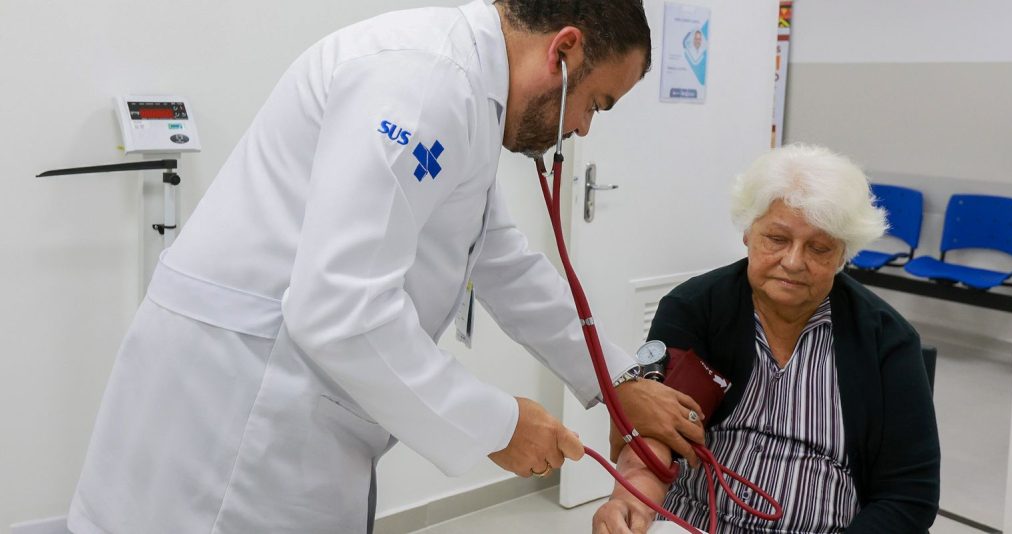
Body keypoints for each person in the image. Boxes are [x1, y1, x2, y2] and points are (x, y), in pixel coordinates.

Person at [68, 1, 707, 533]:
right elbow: (340, 309)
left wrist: (617, 381)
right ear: (563, 52)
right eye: (596, 102)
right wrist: (498, 423)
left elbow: (500, 259)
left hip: (288, 403)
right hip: (237, 417)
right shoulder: (426, 82)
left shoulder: (469, 93)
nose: (584, 129)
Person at [593, 144, 940, 533]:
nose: (793, 262)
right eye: (777, 238)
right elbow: (657, 430)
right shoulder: (695, 308)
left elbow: (909, 496)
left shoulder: (887, 342)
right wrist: (631, 502)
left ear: (844, 254)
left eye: (819, 248)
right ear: (748, 232)